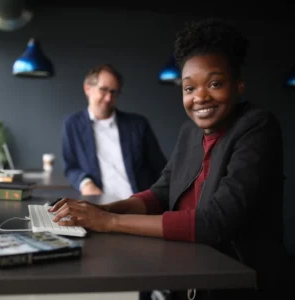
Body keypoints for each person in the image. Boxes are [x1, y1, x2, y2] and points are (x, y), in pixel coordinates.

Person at [52, 19, 290, 299]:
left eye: (215, 83)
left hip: (237, 282)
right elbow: (160, 194)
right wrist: (99, 213)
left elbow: (215, 223)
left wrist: (111, 222)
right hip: (184, 271)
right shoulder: (190, 132)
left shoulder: (257, 126)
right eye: (189, 88)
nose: (200, 96)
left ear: (238, 85)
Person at [61, 63, 167, 198]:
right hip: (99, 206)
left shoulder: (138, 124)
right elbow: (71, 167)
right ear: (87, 88)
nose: (108, 98)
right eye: (103, 90)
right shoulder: (72, 124)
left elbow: (160, 167)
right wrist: (85, 183)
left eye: (113, 92)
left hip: (137, 205)